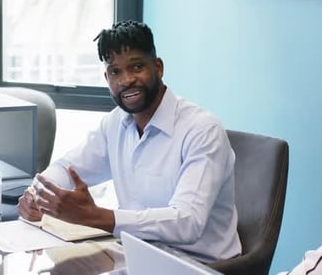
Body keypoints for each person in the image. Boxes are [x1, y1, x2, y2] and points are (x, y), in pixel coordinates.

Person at [18, 20, 241, 262]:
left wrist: (96, 216)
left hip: (201, 265)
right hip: (138, 255)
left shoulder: (202, 129)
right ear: (107, 78)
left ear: (158, 67)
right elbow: (66, 168)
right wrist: (37, 195)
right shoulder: (116, 123)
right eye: (116, 71)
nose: (126, 80)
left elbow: (187, 222)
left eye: (136, 67)